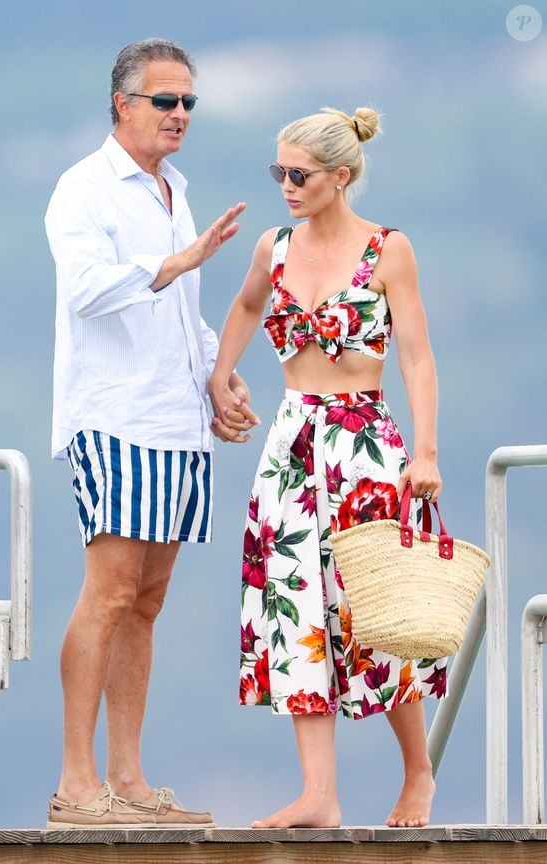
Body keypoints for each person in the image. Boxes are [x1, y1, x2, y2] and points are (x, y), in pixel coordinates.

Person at [208, 106, 447, 829]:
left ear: (340, 177)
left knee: (373, 608)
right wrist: (221, 376)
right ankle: (319, 793)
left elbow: (416, 356)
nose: (286, 184)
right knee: (295, 611)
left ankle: (418, 773)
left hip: (362, 441)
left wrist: (427, 451)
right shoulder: (272, 248)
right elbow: (247, 307)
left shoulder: (388, 250)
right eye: (279, 171)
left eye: (299, 174)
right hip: (291, 443)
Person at [44, 38, 257, 829]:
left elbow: (183, 311)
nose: (178, 115)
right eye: (165, 101)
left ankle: (128, 780)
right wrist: (179, 258)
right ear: (121, 105)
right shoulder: (84, 190)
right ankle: (76, 780)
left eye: (188, 103)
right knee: (109, 591)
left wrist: (216, 378)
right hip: (113, 415)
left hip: (173, 418)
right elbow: (90, 294)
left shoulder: (175, 193)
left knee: (148, 599)